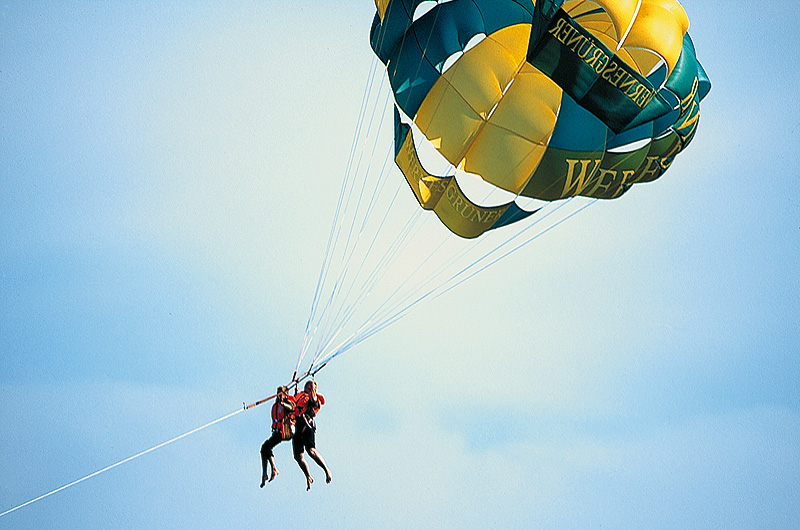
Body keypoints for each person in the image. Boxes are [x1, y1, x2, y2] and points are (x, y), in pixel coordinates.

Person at [292, 380, 332, 490]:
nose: (310, 390)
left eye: (312, 389)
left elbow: (314, 402)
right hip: (297, 427)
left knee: (311, 451)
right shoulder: (300, 396)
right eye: (308, 388)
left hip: (307, 424)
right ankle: (308, 476)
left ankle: (326, 470)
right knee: (298, 457)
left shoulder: (315, 399)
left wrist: (313, 393)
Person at [259, 386, 295, 487]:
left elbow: (291, 408)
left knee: (266, 447)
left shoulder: (286, 403)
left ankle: (274, 469)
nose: (278, 396)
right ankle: (265, 474)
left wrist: (283, 402)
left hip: (284, 432)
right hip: (277, 432)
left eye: (280, 394)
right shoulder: (276, 405)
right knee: (264, 449)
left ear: (285, 394)